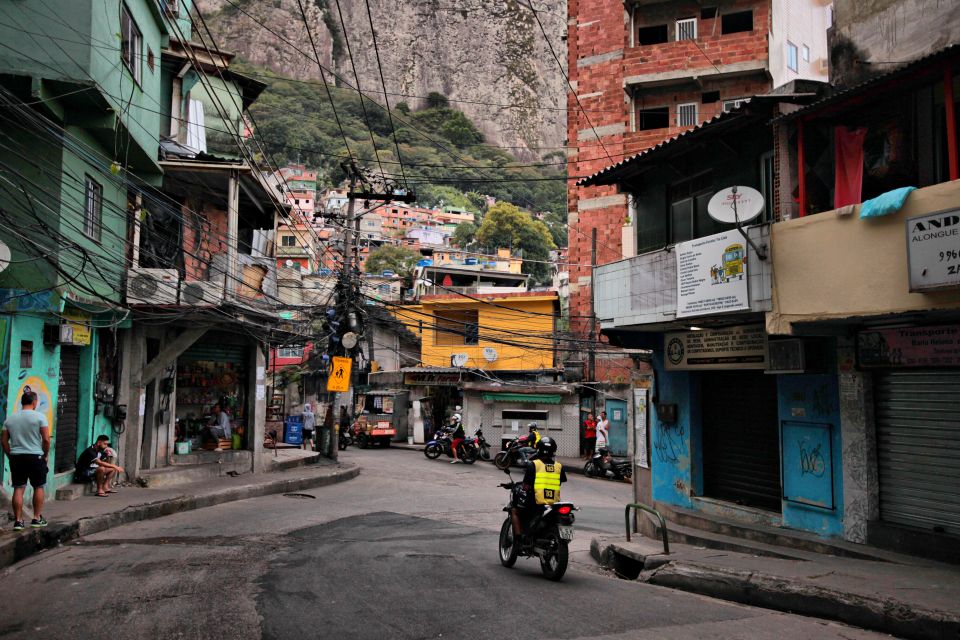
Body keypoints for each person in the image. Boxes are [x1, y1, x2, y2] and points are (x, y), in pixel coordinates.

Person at [1, 392, 50, 531]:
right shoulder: (40, 417)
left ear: (22, 402)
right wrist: (45, 455)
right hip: (36, 457)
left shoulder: (9, 419)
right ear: (34, 402)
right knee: (38, 486)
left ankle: (18, 521)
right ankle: (36, 518)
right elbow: (46, 439)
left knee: (18, 488)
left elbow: (4, 441)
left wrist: (10, 455)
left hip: (17, 458)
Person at [511, 437, 567, 545]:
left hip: (536, 503)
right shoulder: (559, 467)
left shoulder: (533, 465)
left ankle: (519, 539)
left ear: (539, 449)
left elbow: (526, 487)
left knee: (515, 510)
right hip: (554, 504)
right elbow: (559, 482)